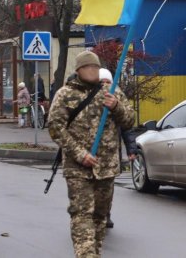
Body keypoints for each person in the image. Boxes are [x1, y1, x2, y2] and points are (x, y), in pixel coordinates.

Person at [48, 51, 135, 258]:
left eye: (95, 67)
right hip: (78, 168)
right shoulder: (65, 94)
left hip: (106, 167)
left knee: (100, 216)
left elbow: (130, 121)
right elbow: (55, 128)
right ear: (78, 70)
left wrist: (116, 106)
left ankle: (94, 252)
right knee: (81, 214)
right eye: (88, 67)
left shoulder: (111, 92)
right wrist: (79, 154)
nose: (93, 71)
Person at [98, 68, 137, 229]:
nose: (105, 86)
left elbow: (127, 127)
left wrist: (131, 150)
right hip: (91, 152)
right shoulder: (90, 97)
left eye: (108, 82)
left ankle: (106, 214)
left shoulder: (117, 97)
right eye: (102, 82)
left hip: (111, 153)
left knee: (107, 186)